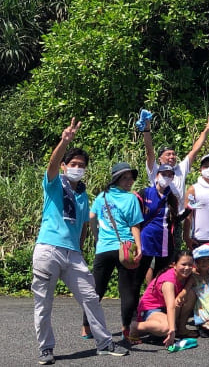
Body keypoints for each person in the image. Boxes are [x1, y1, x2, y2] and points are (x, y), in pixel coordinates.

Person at [32, 118, 128, 364]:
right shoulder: (54, 184)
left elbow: (84, 226)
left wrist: (81, 249)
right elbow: (52, 164)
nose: (77, 168)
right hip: (49, 249)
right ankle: (46, 348)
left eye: (82, 165)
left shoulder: (83, 194)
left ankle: (104, 343)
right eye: (73, 164)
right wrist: (65, 141)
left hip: (73, 253)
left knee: (90, 297)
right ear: (64, 166)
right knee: (44, 303)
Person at [82, 162, 143, 342]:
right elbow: (135, 225)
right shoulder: (131, 198)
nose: (129, 181)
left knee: (96, 289)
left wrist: (97, 237)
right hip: (125, 248)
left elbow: (91, 217)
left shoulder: (102, 196)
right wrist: (139, 247)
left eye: (131, 178)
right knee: (127, 290)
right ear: (116, 179)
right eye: (125, 178)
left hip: (104, 248)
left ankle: (86, 327)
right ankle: (126, 329)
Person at [142, 114, 209, 249]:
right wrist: (146, 130)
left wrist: (206, 130)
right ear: (160, 159)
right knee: (153, 253)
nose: (172, 156)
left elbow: (195, 151)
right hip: (157, 219)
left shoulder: (180, 169)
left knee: (174, 253)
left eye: (173, 154)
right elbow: (149, 152)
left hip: (175, 220)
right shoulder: (155, 171)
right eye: (168, 154)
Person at [134, 164, 189, 299]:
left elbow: (175, 220)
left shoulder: (172, 197)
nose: (167, 177)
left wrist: (189, 209)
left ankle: (154, 302)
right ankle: (134, 306)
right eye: (164, 174)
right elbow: (134, 217)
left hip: (164, 242)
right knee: (138, 276)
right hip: (145, 240)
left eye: (170, 175)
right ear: (157, 175)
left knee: (160, 276)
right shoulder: (145, 193)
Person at [129, 250, 198, 347]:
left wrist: (184, 291)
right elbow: (171, 307)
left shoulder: (188, 274)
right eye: (183, 264)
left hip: (165, 307)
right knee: (166, 328)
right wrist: (172, 329)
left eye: (190, 265)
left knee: (191, 294)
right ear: (174, 265)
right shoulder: (168, 281)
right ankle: (135, 326)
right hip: (152, 309)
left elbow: (207, 271)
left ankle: (181, 329)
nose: (187, 268)